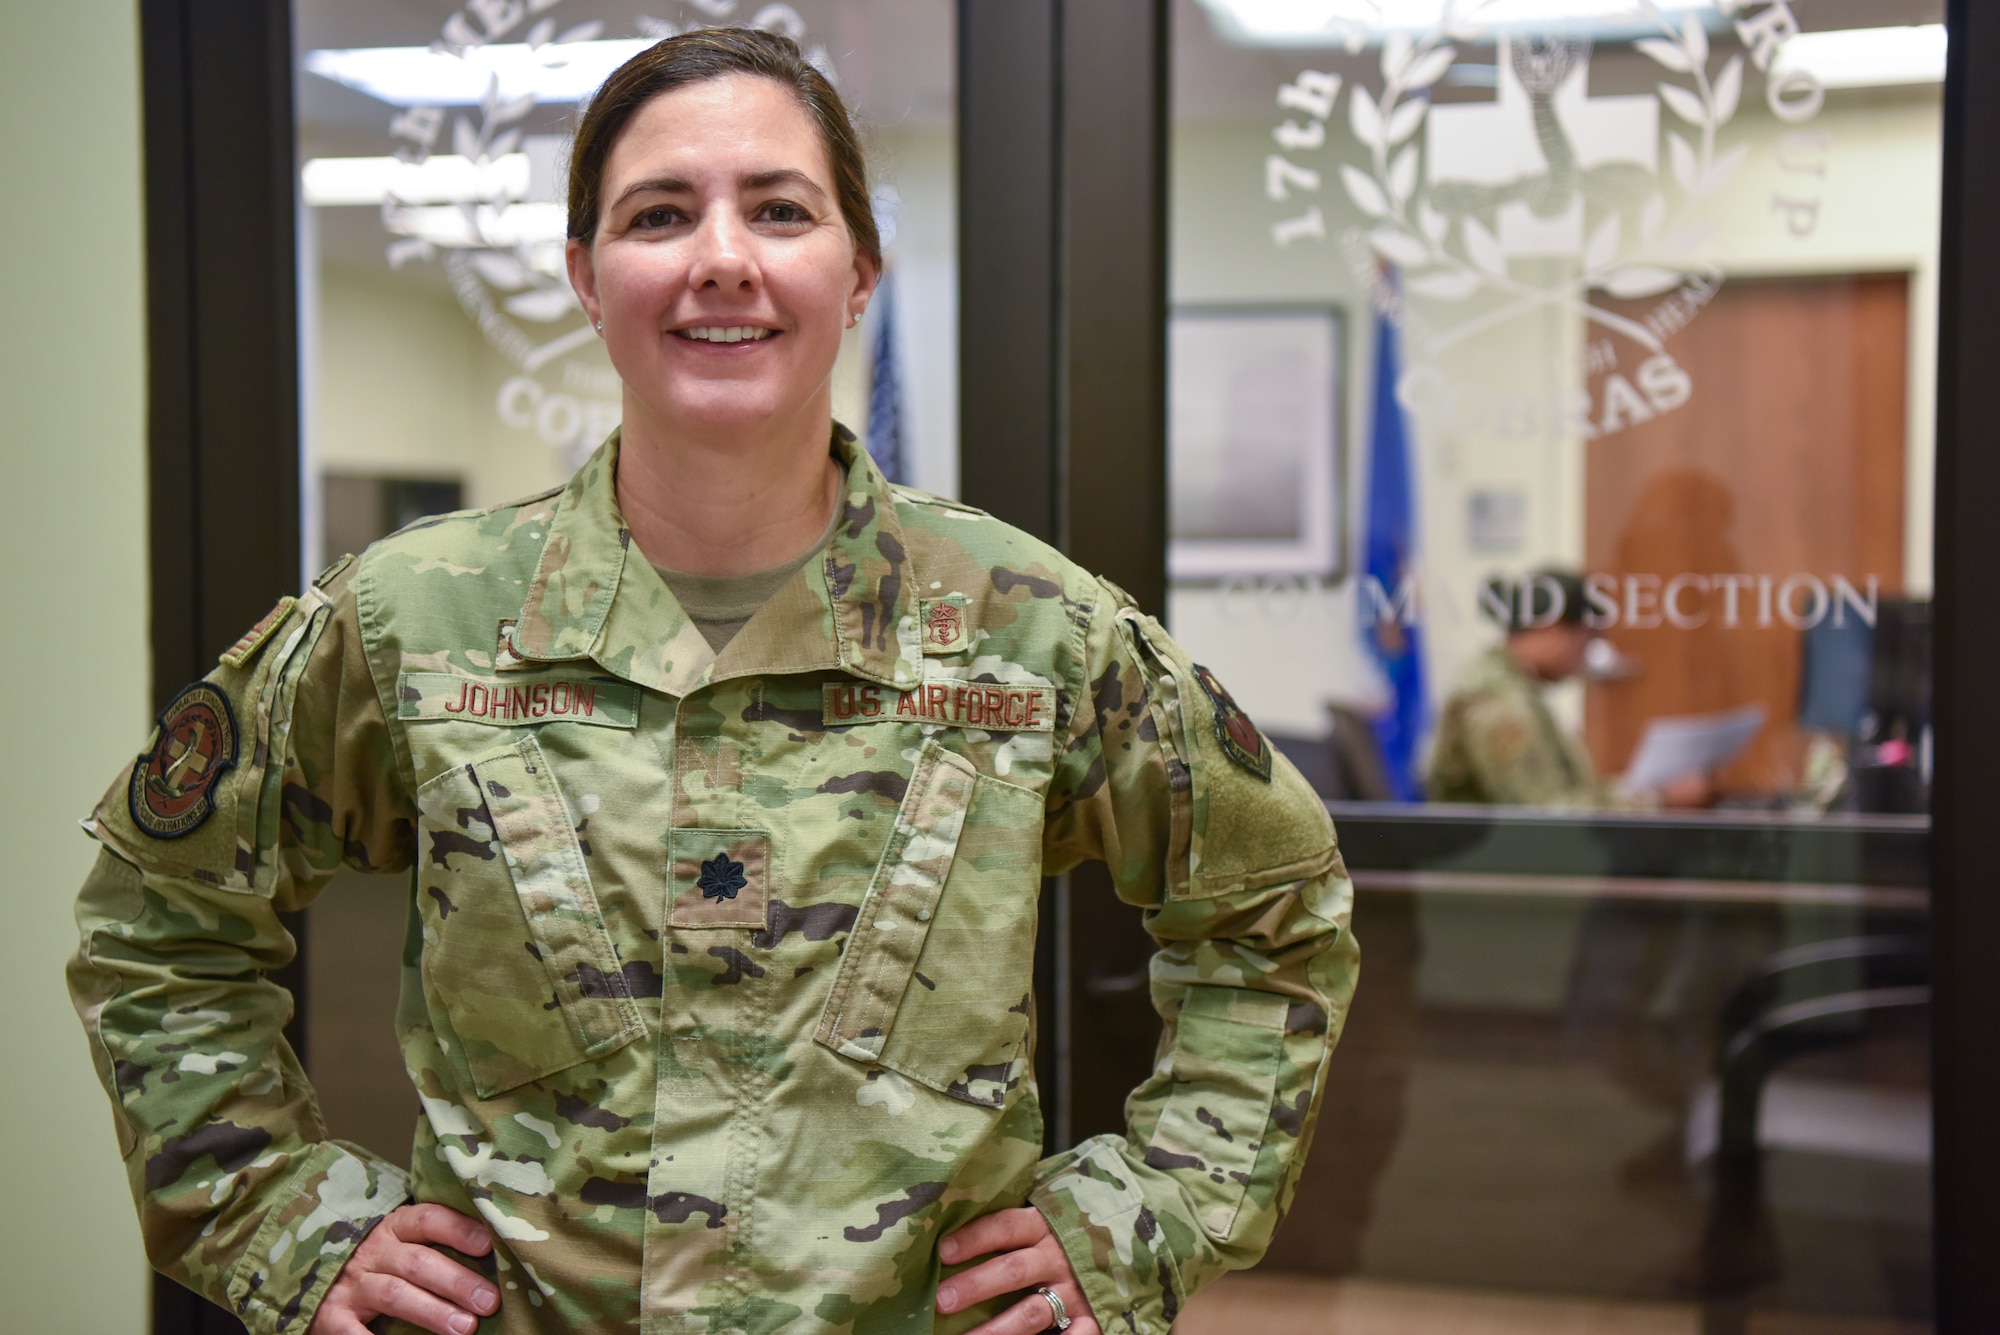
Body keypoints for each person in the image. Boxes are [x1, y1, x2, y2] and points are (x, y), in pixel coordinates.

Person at [67, 29, 1356, 1335]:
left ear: (857, 274)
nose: (722, 257)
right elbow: (155, 910)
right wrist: (279, 1212)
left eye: (781, 209)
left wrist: (1144, 1215)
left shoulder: (1026, 628)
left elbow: (1275, 902)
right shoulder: (415, 618)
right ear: (587, 274)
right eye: (660, 213)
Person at [1428, 569, 1710, 808]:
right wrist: (1655, 799)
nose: (1584, 657)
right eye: (1585, 641)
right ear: (1552, 629)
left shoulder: (1512, 687)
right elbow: (1551, 813)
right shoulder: (1502, 703)